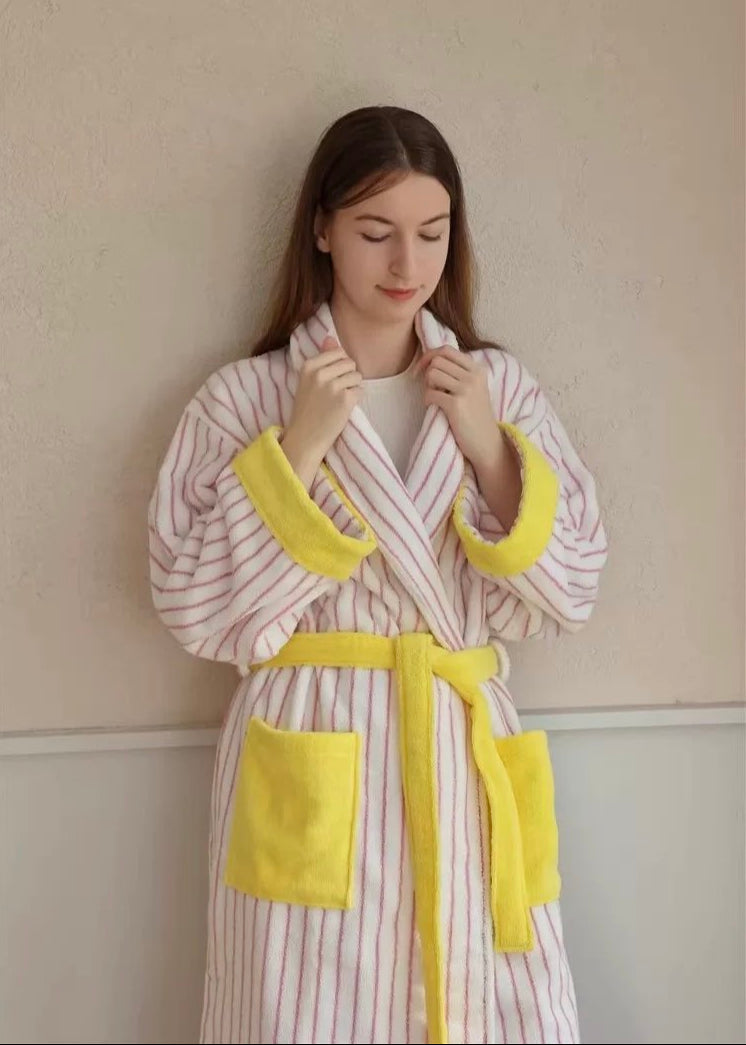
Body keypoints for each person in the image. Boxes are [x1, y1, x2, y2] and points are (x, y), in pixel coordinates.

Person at [149, 105, 607, 1045]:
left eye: (432, 234)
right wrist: (297, 449)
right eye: (375, 232)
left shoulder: (498, 390)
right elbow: (191, 604)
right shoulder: (246, 398)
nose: (407, 264)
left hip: (461, 739)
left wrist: (490, 451)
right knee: (304, 1011)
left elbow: (574, 586)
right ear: (321, 229)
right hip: (314, 741)